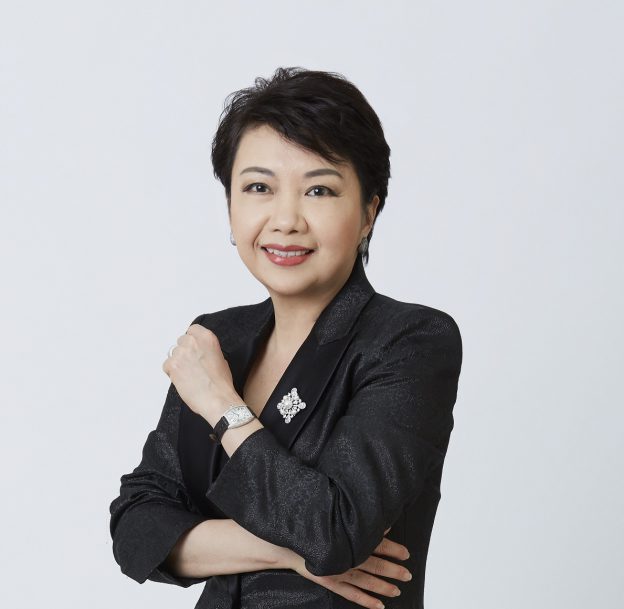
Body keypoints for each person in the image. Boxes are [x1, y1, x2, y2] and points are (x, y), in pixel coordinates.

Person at [109, 66, 463, 609]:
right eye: (259, 188)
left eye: (319, 190)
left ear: (368, 212)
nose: (285, 219)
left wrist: (222, 406)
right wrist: (285, 551)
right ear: (230, 207)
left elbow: (334, 532)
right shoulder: (219, 339)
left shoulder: (408, 341)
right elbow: (136, 526)